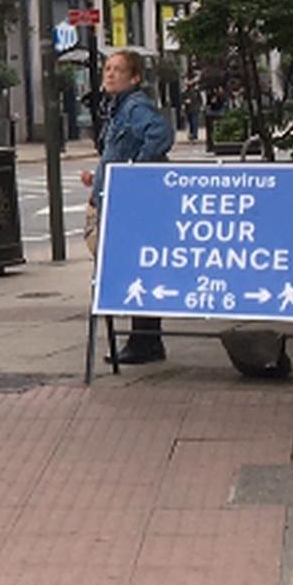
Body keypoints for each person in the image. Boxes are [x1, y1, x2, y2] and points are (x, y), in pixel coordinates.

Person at [85, 48, 175, 363]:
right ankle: (145, 340)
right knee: (136, 269)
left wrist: (133, 172)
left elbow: (160, 135)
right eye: (107, 69)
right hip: (121, 200)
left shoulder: (135, 106)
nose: (109, 74)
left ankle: (145, 342)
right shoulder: (117, 108)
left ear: (134, 78)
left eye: (118, 70)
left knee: (137, 269)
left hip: (134, 204)